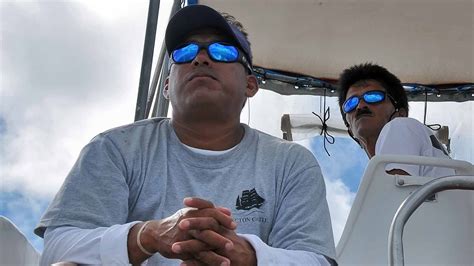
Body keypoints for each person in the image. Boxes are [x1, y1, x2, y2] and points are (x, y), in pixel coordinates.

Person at [35, 5, 336, 265]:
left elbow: (315, 260)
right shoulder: (115, 149)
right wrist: (147, 236)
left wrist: (247, 255)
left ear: (250, 85)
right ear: (167, 86)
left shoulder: (291, 163)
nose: (201, 59)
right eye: (186, 52)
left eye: (222, 51)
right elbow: (57, 248)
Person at [338, 63, 453, 177]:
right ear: (350, 129)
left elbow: (394, 193)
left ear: (400, 114)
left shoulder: (400, 125)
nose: (360, 106)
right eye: (350, 104)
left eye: (373, 96)